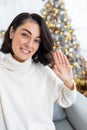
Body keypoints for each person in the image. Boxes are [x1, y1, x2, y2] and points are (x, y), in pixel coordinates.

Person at [0, 12, 77, 130]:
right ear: (12, 32)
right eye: (25, 35)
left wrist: (68, 81)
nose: (29, 45)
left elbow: (66, 100)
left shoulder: (43, 72)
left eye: (36, 40)